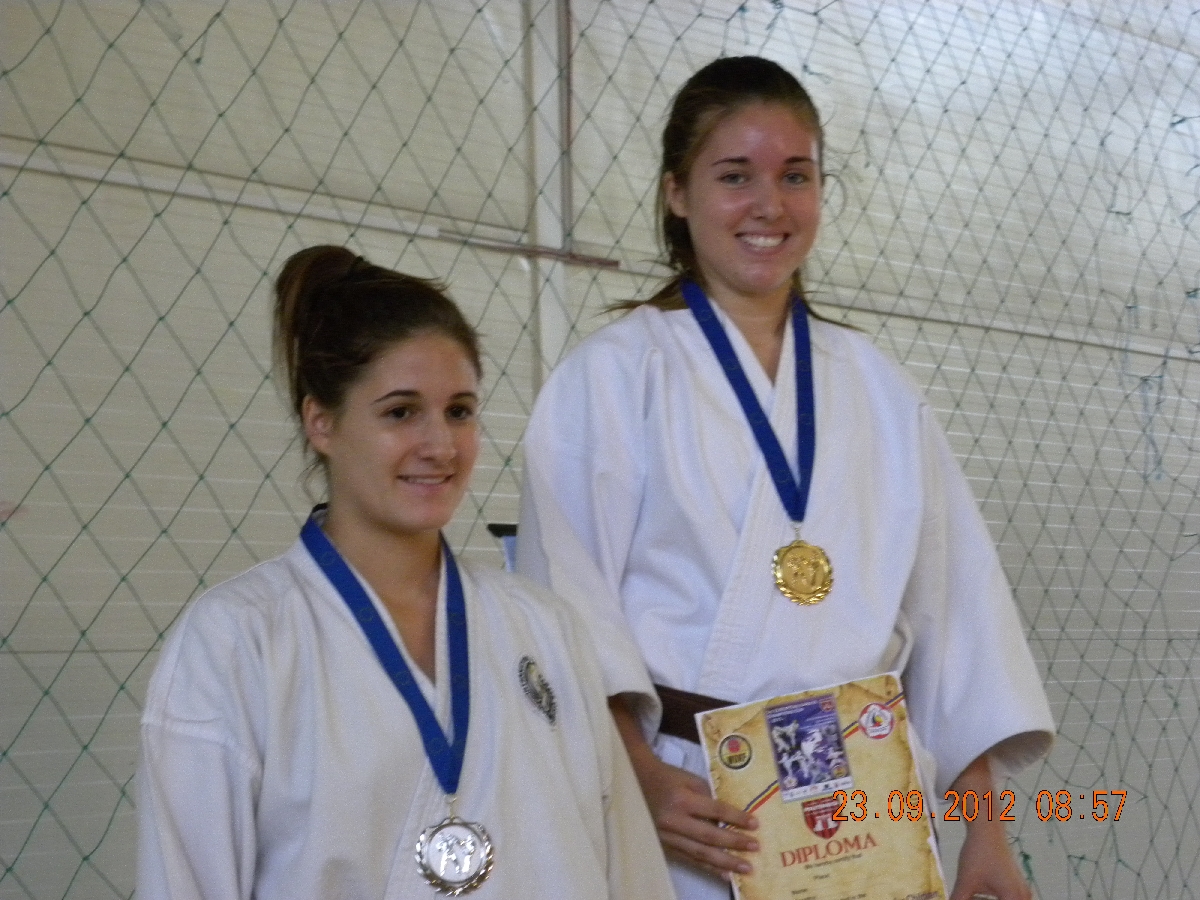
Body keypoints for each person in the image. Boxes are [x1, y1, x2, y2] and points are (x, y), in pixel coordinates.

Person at [517, 56, 1054, 900]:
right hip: (691, 806)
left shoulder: (878, 388)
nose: (770, 205)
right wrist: (639, 781)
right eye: (735, 176)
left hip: (867, 810)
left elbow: (957, 617)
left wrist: (987, 834)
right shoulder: (614, 377)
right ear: (678, 193)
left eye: (795, 176)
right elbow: (564, 608)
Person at [136, 246, 676, 899]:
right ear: (321, 422)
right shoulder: (236, 642)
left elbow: (630, 875)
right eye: (400, 412)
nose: (440, 446)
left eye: (459, 411)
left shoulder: (544, 628)